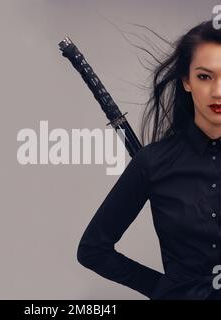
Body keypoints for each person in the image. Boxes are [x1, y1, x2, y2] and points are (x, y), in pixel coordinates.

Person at [76, 19, 221, 300]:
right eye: (205, 76)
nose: (218, 91)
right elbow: (93, 249)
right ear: (186, 81)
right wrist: (163, 289)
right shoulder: (153, 163)